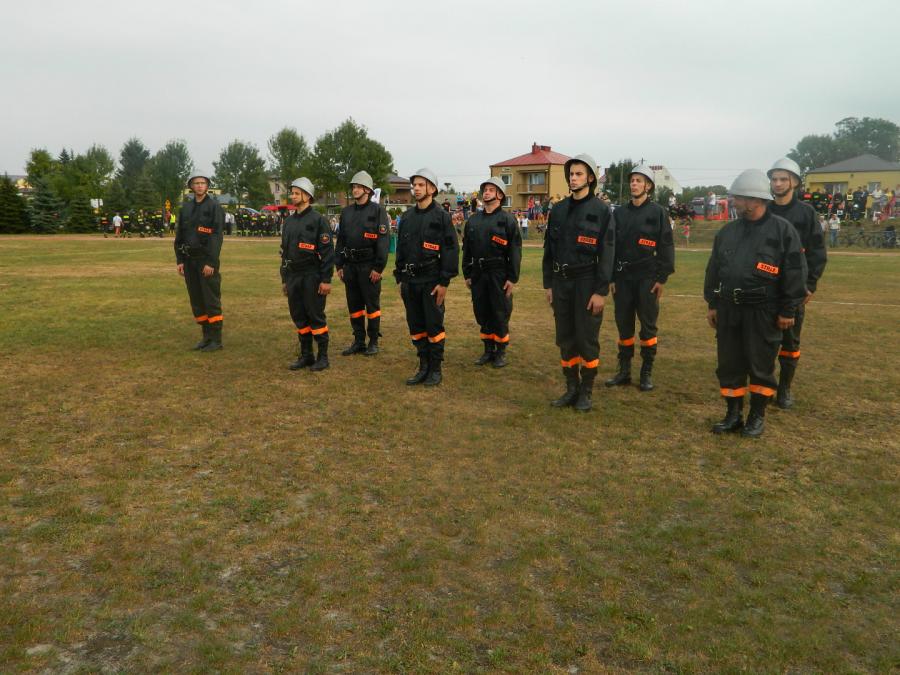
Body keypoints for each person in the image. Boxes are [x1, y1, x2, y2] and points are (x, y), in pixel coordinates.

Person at [704, 169, 807, 438]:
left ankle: (757, 416)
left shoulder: (782, 231)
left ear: (755, 199)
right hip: (729, 309)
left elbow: (794, 273)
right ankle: (733, 414)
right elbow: (713, 270)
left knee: (760, 365)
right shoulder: (727, 232)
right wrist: (712, 303)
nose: (734, 202)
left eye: (738, 198)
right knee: (729, 364)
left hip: (764, 311)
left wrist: (788, 310)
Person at [543, 153, 615, 412]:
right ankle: (571, 388)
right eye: (571, 174)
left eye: (579, 174)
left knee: (586, 339)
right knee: (565, 338)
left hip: (587, 282)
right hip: (561, 282)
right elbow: (549, 250)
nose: (573, 178)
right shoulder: (558, 210)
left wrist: (600, 291)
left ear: (590, 178)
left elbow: (607, 253)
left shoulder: (601, 211)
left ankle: (586, 391)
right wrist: (548, 284)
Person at [605, 164, 675, 392]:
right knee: (624, 326)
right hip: (623, 279)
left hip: (647, 279)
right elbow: (610, 247)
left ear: (648, 186)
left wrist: (661, 278)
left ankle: (646, 372)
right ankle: (624, 371)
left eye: (639, 180)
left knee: (648, 327)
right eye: (632, 180)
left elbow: (666, 246)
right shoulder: (618, 213)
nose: (634, 184)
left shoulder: (658, 213)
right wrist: (612, 278)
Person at [768, 158, 827, 409]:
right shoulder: (764, 209)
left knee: (790, 342)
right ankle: (765, 386)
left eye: (784, 179)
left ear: (794, 182)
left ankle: (784, 389)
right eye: (774, 179)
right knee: (764, 341)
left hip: (793, 288)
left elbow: (817, 251)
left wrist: (810, 285)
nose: (778, 183)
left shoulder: (806, 213)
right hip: (765, 286)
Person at [393, 168, 458, 386]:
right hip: (410, 282)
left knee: (433, 326)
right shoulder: (407, 217)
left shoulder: (441, 217)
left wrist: (444, 282)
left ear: (432, 188)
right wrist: (399, 277)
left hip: (431, 281)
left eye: (421, 185)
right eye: (415, 185)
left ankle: (435, 369)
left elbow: (450, 250)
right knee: (416, 325)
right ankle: (423, 366)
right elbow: (401, 249)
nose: (417, 189)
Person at [462, 177, 522, 368]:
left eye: (491, 189)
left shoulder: (507, 220)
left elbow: (515, 251)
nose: (486, 193)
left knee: (500, 312)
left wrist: (512, 278)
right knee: (482, 311)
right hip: (478, 274)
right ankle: (488, 350)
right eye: (485, 190)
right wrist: (467, 273)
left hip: (499, 274)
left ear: (500, 195)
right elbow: (467, 250)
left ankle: (500, 351)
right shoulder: (473, 220)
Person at [280, 178, 334, 371]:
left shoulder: (319, 220)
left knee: (315, 316)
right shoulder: (288, 222)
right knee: (299, 316)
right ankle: (306, 355)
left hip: (312, 275)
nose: (293, 196)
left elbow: (327, 253)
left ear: (307, 195)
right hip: (293, 276)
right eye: (292, 192)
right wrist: (285, 279)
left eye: (297, 193)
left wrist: (326, 280)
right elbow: (284, 253)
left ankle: (323, 357)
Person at [335, 170, 390, 356]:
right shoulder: (346, 212)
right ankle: (358, 341)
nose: (355, 190)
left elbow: (383, 241)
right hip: (350, 266)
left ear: (367, 190)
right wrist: (339, 265)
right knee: (354, 306)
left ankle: (373, 341)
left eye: (359, 187)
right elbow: (341, 240)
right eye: (353, 187)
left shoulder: (378, 211)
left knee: (371, 306)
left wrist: (378, 267)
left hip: (369, 266)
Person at [174, 173, 226, 351]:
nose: (199, 185)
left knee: (210, 299)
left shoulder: (214, 207)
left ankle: (216, 339)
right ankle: (206, 336)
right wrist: (180, 260)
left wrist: (211, 262)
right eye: (196, 183)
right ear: (191, 186)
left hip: (206, 260)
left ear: (207, 186)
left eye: (203, 183)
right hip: (189, 261)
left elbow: (216, 236)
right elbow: (180, 236)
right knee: (197, 300)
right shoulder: (186, 208)